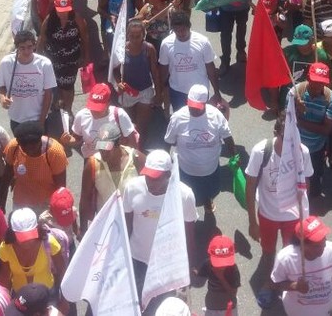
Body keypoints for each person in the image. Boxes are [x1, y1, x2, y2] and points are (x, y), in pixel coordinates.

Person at [123, 149, 198, 296]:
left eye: (155, 178)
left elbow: (189, 234)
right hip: (137, 258)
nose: (149, 181)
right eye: (147, 176)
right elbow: (126, 225)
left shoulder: (185, 195)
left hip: (167, 264)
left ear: (168, 175)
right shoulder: (131, 188)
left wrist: (189, 264)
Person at [244, 115, 313, 261]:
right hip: (267, 215)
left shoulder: (303, 153)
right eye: (285, 138)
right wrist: (252, 222)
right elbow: (250, 186)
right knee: (268, 251)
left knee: (290, 253)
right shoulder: (260, 151)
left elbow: (306, 184)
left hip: (293, 217)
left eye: (294, 138)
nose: (290, 144)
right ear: (275, 133)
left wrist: (304, 217)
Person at [165, 84, 235, 216]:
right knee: (188, 197)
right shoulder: (177, 118)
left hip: (211, 170)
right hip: (186, 170)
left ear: (205, 103)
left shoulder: (216, 116)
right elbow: (168, 141)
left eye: (197, 107)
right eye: (191, 105)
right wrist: (165, 163)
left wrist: (234, 156)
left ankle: (208, 201)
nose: (193, 110)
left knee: (211, 192)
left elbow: (228, 137)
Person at [270, 216, 332, 316]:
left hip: (327, 311)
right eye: (317, 245)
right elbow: (274, 284)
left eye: (324, 240)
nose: (324, 246)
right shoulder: (285, 258)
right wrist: (295, 286)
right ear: (302, 244)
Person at [0, 208, 68, 300]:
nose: (28, 241)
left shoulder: (49, 243)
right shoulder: (5, 248)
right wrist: (5, 300)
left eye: (30, 235)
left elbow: (62, 271)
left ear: (37, 228)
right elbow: (5, 278)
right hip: (19, 297)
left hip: (47, 296)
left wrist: (63, 299)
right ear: (13, 233)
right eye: (22, 237)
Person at [37, 0, 89, 116]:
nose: (63, 13)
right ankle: (59, 102)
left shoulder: (77, 18)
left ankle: (68, 110)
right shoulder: (49, 20)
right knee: (56, 84)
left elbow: (85, 38)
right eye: (60, 11)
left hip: (71, 61)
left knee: (67, 86)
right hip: (53, 61)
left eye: (66, 11)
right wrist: (37, 57)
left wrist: (86, 57)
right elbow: (42, 38)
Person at [158, 10, 222, 110]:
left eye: (183, 30)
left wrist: (217, 91)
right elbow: (163, 69)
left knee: (200, 120)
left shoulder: (203, 42)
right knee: (183, 121)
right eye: (177, 30)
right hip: (177, 91)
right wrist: (162, 90)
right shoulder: (166, 44)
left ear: (189, 26)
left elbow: (210, 68)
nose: (180, 33)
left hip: (200, 92)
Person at [292, 63, 332, 197]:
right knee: (294, 176)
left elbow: (326, 130)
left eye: (322, 83)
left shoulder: (331, 99)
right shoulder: (296, 92)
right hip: (296, 146)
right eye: (315, 81)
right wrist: (295, 108)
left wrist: (299, 121)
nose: (318, 86)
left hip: (316, 149)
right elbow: (285, 121)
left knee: (314, 178)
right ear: (308, 78)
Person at [0, 121, 68, 212]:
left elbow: (61, 187)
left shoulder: (55, 152)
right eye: (24, 147)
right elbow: (6, 177)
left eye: (33, 147)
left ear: (40, 140)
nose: (29, 151)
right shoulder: (13, 147)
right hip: (21, 201)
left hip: (46, 203)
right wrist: (0, 204)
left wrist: (59, 210)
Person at [0, 30, 56, 132]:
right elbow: (0, 85)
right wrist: (2, 99)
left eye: (29, 47)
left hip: (38, 118)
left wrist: (41, 121)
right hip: (16, 118)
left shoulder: (45, 64)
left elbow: (48, 94)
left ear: (34, 45)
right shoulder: (6, 63)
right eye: (22, 48)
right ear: (17, 47)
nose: (27, 51)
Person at [112, 19, 159, 141]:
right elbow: (115, 70)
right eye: (131, 36)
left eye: (138, 36)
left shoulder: (149, 49)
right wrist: (118, 83)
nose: (134, 39)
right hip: (127, 91)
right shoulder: (121, 49)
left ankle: (139, 149)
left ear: (144, 35)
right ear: (127, 35)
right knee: (128, 125)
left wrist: (159, 94)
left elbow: (155, 72)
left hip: (145, 91)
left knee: (141, 127)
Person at [68, 83, 137, 156]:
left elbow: (133, 143)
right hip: (91, 161)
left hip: (115, 161)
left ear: (108, 104)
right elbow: (77, 138)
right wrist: (69, 141)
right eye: (92, 107)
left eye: (98, 108)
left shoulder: (119, 115)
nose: (94, 111)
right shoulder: (81, 116)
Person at [198, 235, 241, 316]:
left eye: (225, 262)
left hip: (228, 306)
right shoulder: (208, 264)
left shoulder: (233, 269)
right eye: (218, 262)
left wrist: (221, 277)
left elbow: (233, 293)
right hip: (211, 304)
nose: (222, 266)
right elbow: (200, 274)